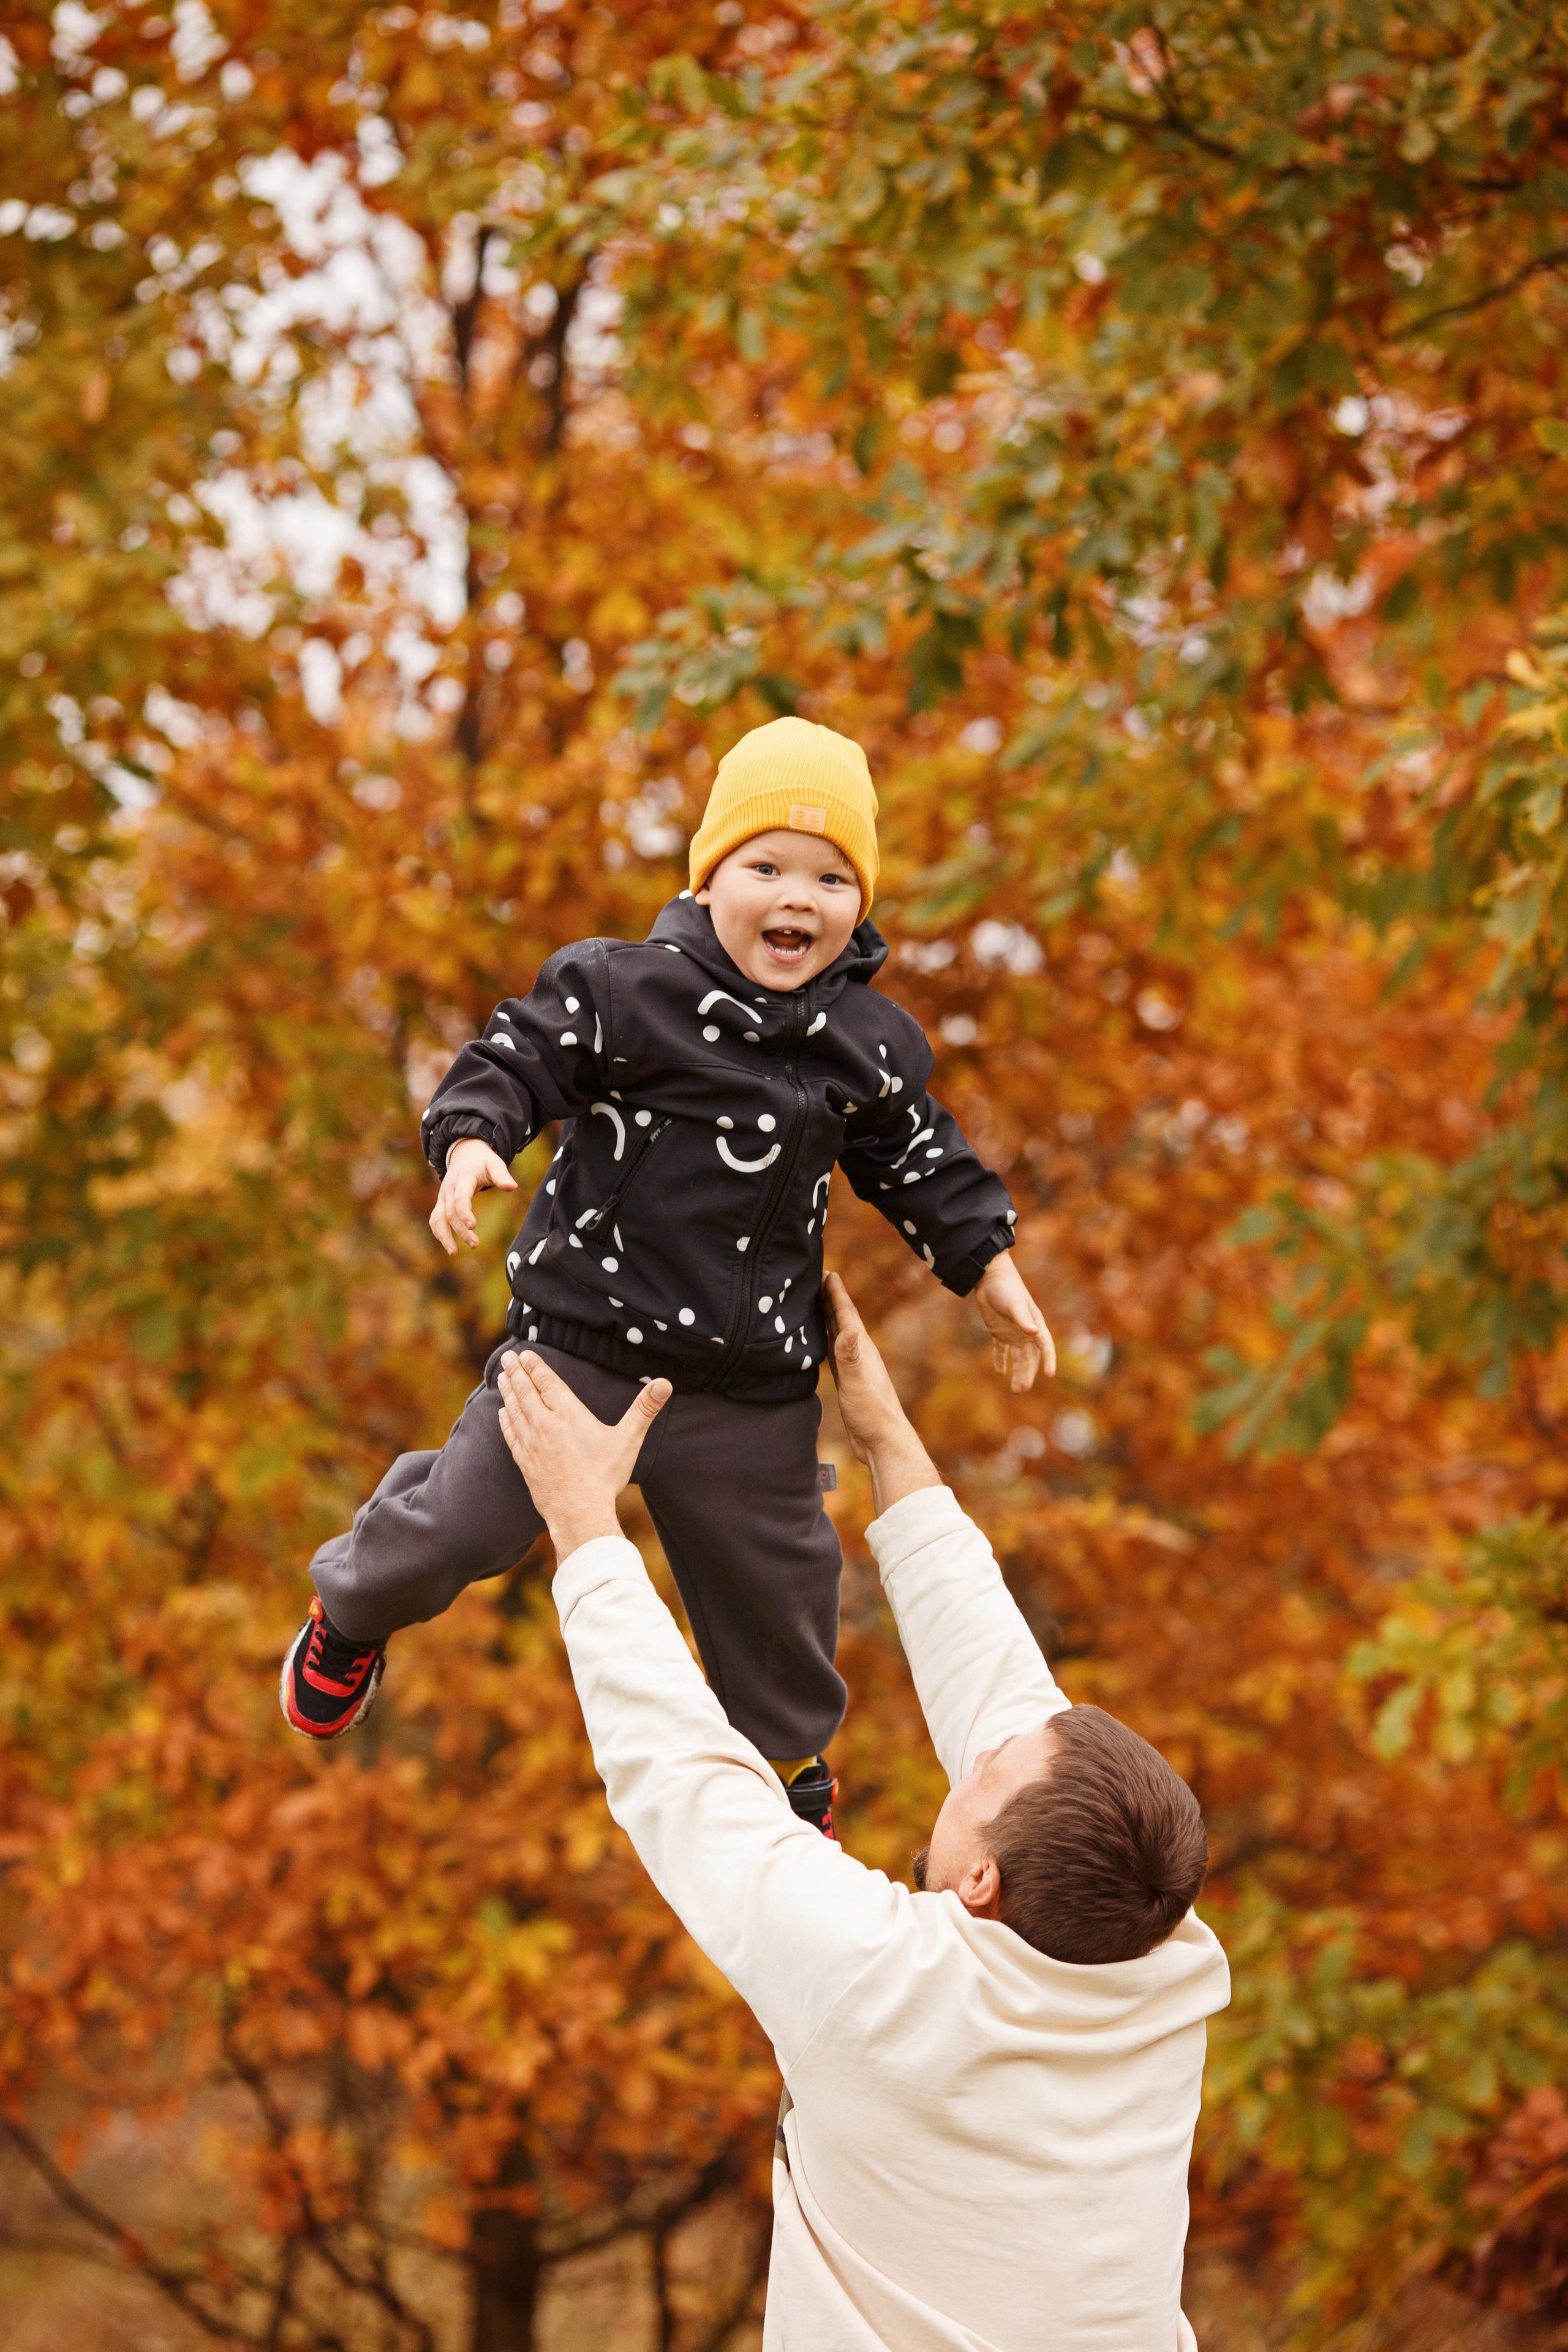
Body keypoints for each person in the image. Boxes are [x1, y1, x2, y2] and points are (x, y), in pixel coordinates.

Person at [281, 717, 1055, 1837]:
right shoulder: (624, 991)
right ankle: (351, 1610)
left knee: (780, 1594)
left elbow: (921, 1158)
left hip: (749, 1387)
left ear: (861, 903)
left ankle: (786, 1769)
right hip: (584, 1353)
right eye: (767, 867)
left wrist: (988, 1265)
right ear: (709, 878)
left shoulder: (867, 1043)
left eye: (832, 878)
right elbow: (517, 1059)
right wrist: (473, 1138)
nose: (798, 899)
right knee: (463, 1525)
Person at [496, 1271, 1229, 2352]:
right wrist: (886, 1438)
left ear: (981, 1883)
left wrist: (583, 1523)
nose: (981, 1749)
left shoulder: (881, 1983)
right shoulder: (1156, 1957)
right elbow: (1002, 1686)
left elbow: (687, 1781)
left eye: (986, 1771)